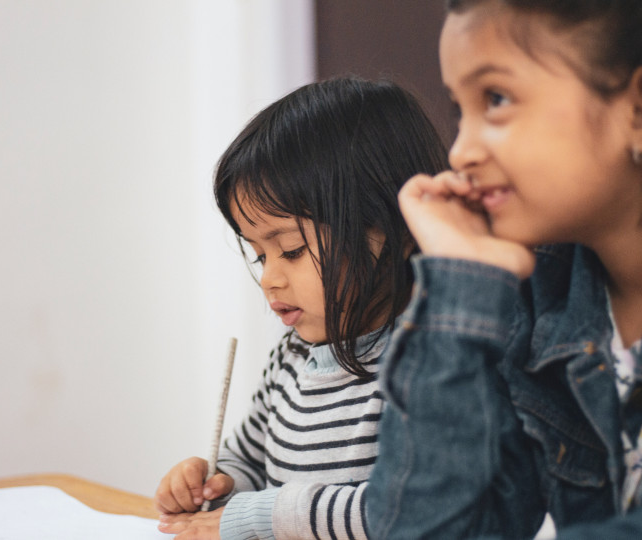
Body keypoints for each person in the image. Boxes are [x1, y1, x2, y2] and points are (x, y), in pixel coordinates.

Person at [366, 0, 642, 538]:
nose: (461, 151)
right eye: (458, 111)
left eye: (496, 98)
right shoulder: (539, 299)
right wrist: (459, 283)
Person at [154, 77, 448, 540]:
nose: (270, 277)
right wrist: (213, 481)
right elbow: (250, 457)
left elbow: (409, 509)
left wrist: (262, 516)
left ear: (393, 225)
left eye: (289, 249)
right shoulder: (291, 358)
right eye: (258, 254)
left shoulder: (433, 361)